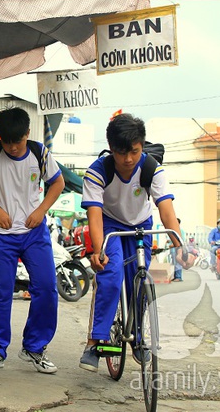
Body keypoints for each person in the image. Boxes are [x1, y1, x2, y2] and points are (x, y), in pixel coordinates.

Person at [78, 112, 182, 372]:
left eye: (134, 152)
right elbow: (94, 215)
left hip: (141, 225)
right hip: (110, 225)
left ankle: (138, 337)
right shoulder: (97, 171)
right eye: (121, 153)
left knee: (140, 279)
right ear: (111, 148)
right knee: (111, 277)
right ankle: (95, 341)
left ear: (142, 145)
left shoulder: (152, 169)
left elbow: (166, 211)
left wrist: (181, 246)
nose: (128, 159)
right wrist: (99, 251)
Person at [0, 107, 65, 374]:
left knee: (46, 287)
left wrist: (41, 210)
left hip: (34, 232)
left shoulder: (39, 152)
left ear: (27, 134)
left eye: (17, 141)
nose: (12, 147)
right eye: (6, 141)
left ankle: (35, 347)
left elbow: (57, 183)